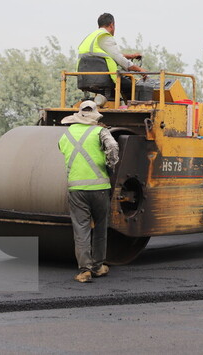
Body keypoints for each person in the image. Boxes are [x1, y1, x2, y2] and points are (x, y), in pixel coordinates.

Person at [58, 100, 119, 283]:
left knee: (81, 229)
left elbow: (61, 149)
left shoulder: (66, 134)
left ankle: (84, 270)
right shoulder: (100, 131)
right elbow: (113, 147)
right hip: (100, 188)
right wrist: (110, 164)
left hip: (77, 189)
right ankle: (98, 266)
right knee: (100, 227)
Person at [77, 13, 148, 96]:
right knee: (133, 85)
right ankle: (132, 107)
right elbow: (119, 59)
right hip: (106, 78)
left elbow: (107, 54)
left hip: (85, 78)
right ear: (112, 25)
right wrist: (139, 69)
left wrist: (131, 56)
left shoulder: (92, 37)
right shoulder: (105, 36)